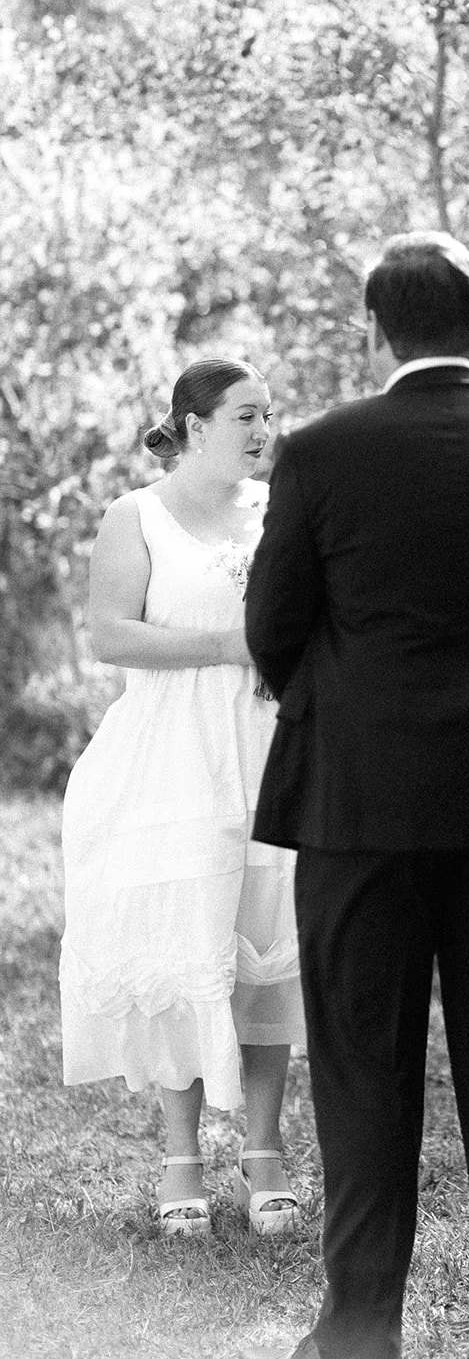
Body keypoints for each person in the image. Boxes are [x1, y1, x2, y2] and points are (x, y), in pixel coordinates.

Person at [243, 232, 469, 1359]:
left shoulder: (319, 450)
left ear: (374, 327)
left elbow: (272, 625)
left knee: (362, 1069)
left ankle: (359, 1329)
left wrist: (358, 707)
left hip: (359, 807)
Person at [60, 358, 304, 1238]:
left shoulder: (279, 511)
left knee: (269, 947)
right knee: (185, 949)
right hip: (173, 751)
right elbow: (109, 635)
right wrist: (230, 645)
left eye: (268, 415)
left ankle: (267, 1151)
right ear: (194, 425)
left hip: (269, 747)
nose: (261, 429)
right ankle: (180, 1160)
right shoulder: (138, 515)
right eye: (245, 414)